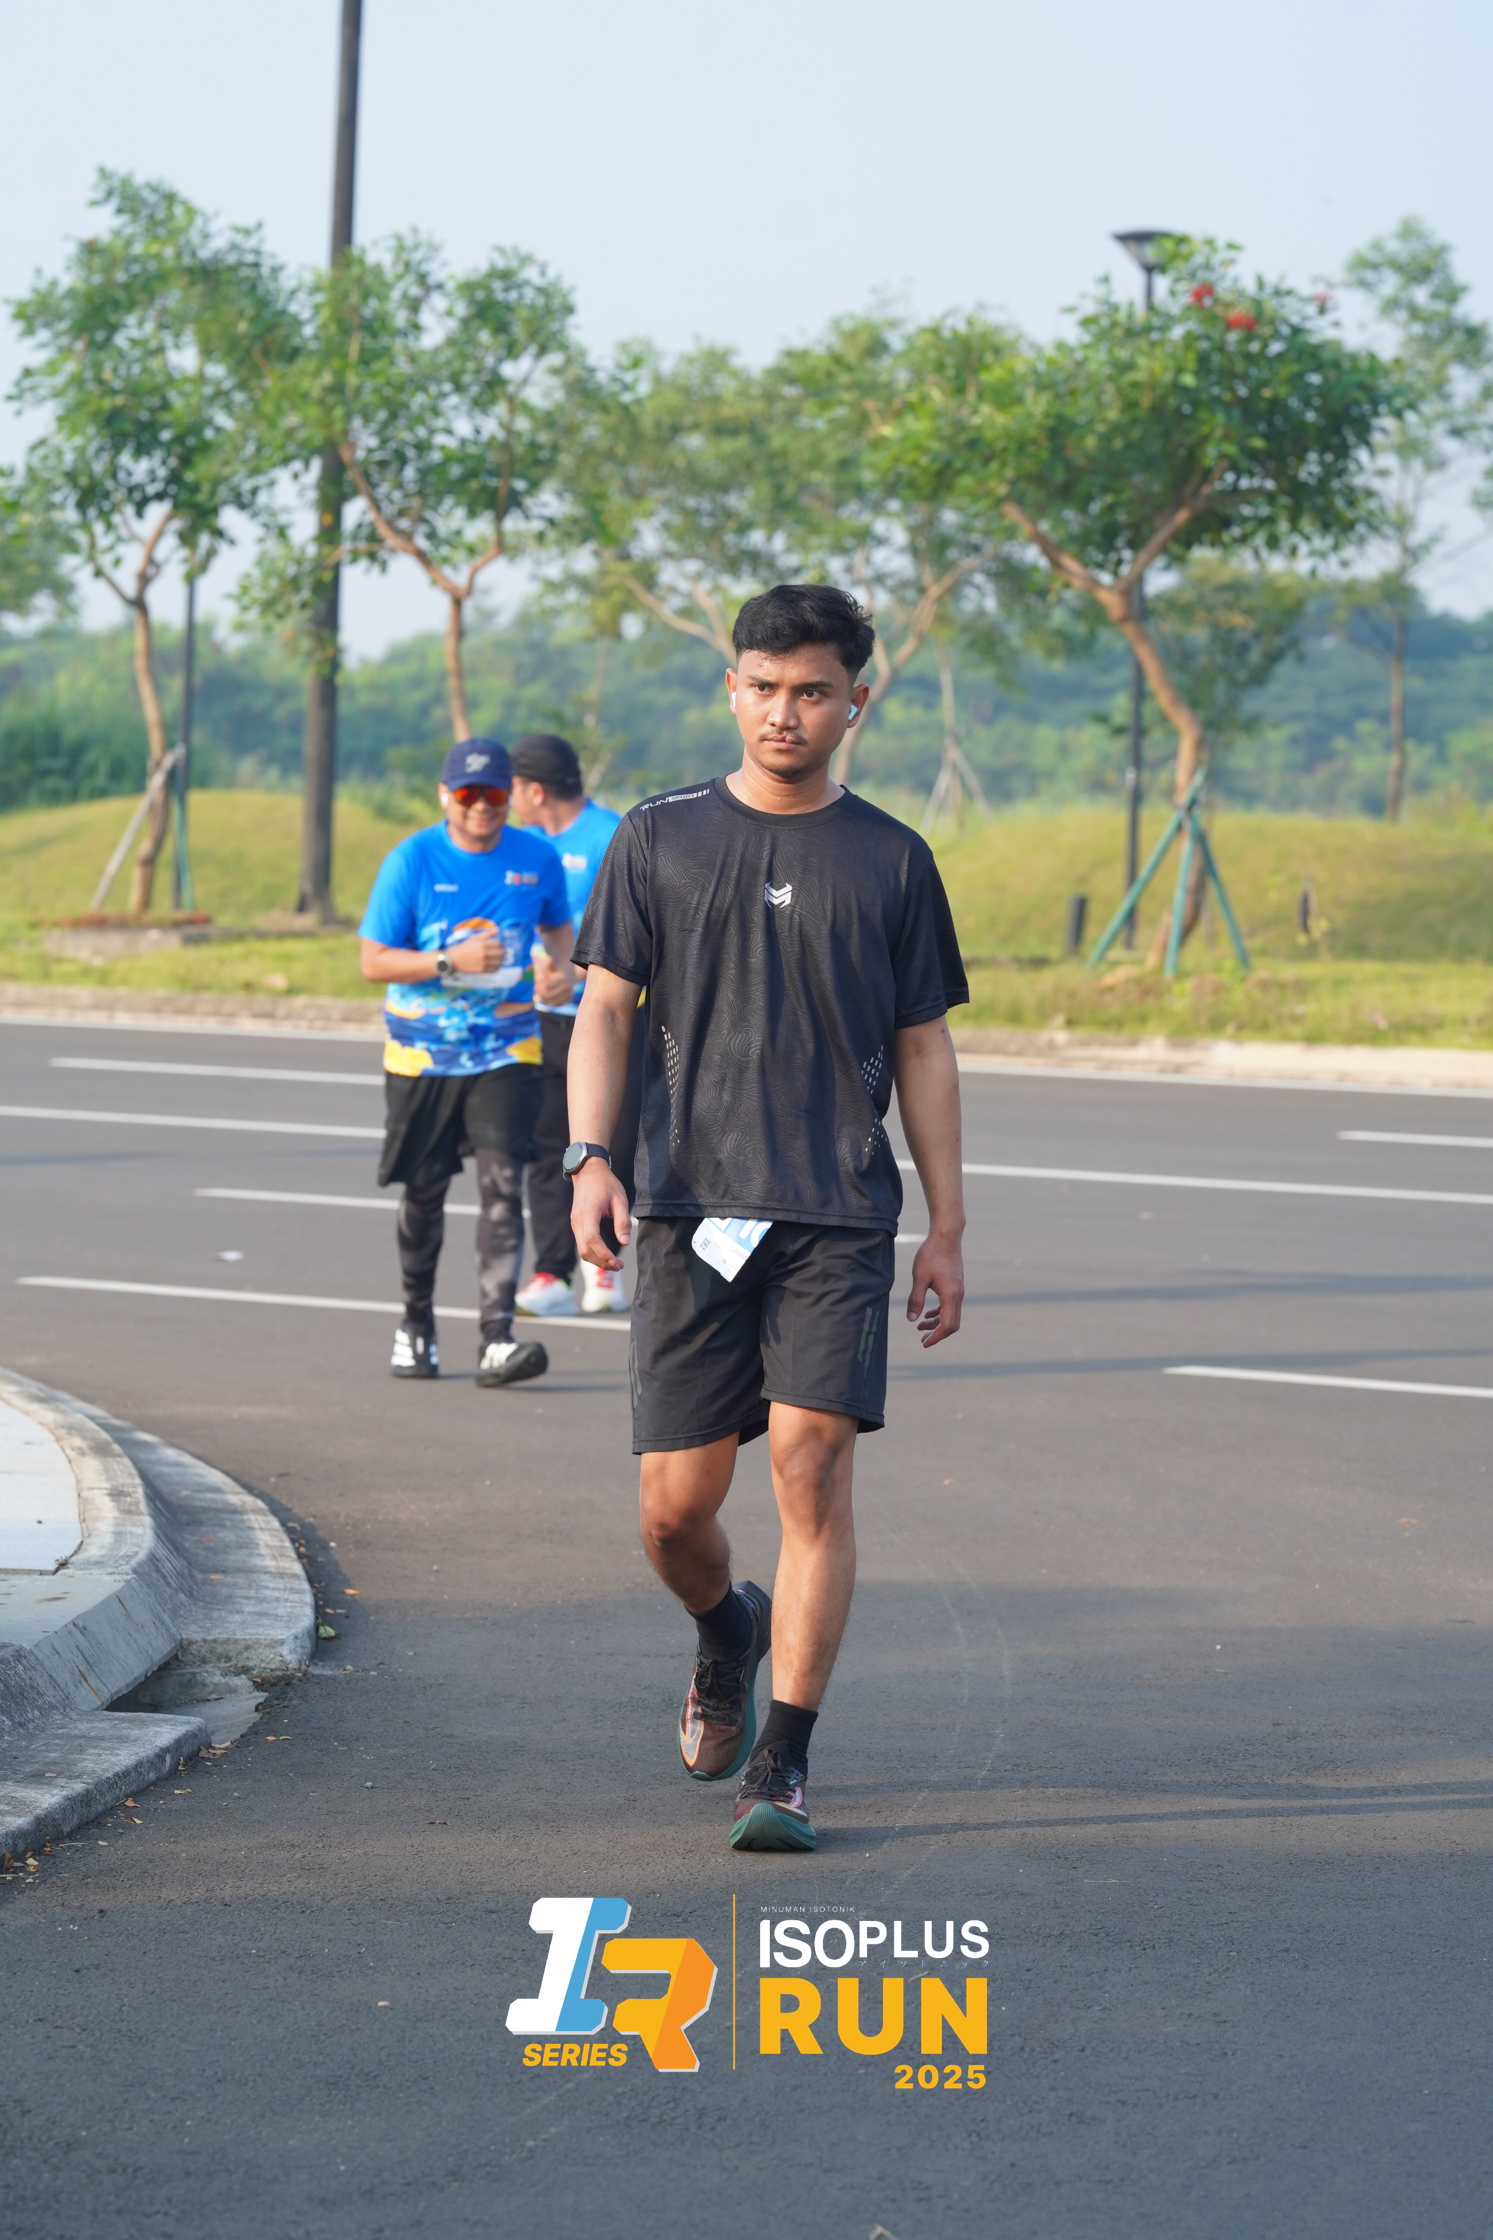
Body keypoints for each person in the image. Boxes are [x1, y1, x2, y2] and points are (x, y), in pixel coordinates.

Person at [565, 583, 968, 1852]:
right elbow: (606, 1009)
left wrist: (945, 1225)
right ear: (730, 688)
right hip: (687, 1207)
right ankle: (723, 1629)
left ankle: (782, 1762)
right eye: (762, 686)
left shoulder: (892, 858)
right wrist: (590, 1156)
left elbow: (923, 1045)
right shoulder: (659, 835)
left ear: (856, 700)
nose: (783, 711)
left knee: (810, 1463)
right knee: (670, 1510)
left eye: (810, 691)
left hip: (834, 1215)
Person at [359, 737, 575, 1388]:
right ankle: (416, 1324)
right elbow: (373, 961)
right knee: (424, 1193)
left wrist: (563, 971)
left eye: (494, 793)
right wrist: (449, 962)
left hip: (508, 1048)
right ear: (445, 796)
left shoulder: (536, 857)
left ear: (511, 794)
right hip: (423, 1055)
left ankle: (496, 1339)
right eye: (468, 793)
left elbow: (558, 928)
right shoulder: (412, 860)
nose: (482, 806)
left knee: (503, 1186)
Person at [506, 733, 630, 1318]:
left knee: (606, 1146)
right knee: (543, 1148)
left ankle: (603, 1267)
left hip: (603, 1022)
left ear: (534, 790)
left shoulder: (613, 836)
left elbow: (631, 933)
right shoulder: (521, 844)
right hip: (539, 1024)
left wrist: (574, 975)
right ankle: (552, 1270)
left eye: (509, 788)